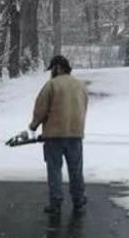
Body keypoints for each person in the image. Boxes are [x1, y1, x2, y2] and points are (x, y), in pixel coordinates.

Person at [29, 54, 89, 217]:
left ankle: (55, 202)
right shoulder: (80, 85)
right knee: (76, 169)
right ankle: (78, 199)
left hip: (54, 136)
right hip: (75, 134)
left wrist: (34, 125)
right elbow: (84, 107)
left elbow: (41, 108)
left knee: (54, 170)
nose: (51, 73)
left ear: (58, 68)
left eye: (52, 69)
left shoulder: (52, 85)